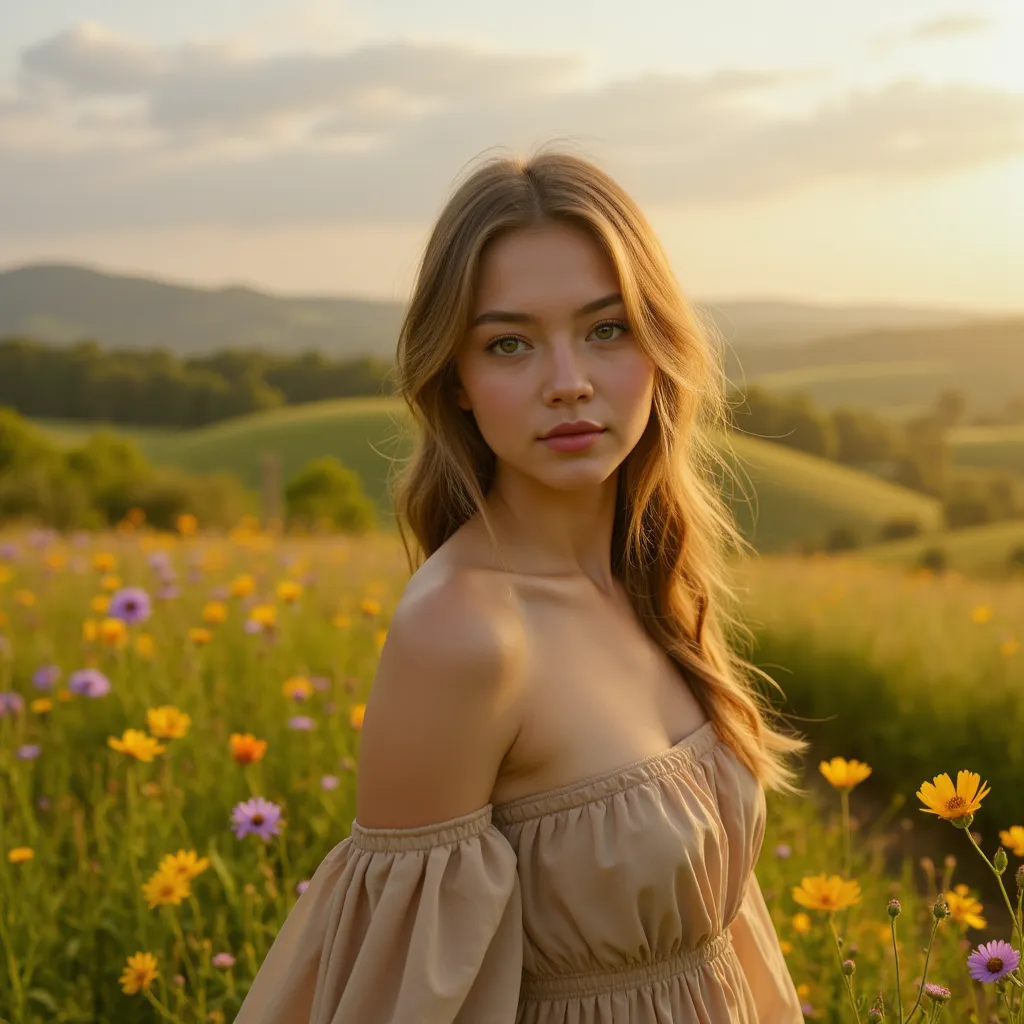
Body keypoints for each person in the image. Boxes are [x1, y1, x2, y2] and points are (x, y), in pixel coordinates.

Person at [235, 144, 807, 1023]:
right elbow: (399, 994)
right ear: (456, 381)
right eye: (509, 344)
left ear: (659, 347)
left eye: (606, 329)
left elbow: (718, 935)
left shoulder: (649, 581)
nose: (569, 383)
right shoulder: (463, 635)